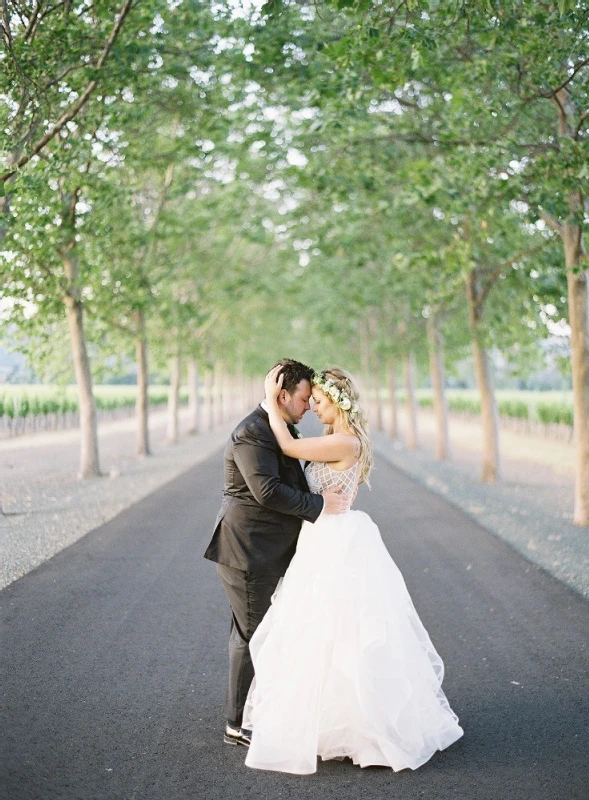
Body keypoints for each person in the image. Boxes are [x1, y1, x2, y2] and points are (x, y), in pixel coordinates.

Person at [242, 365, 464, 774]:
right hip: (321, 536)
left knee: (344, 631)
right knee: (319, 632)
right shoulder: (333, 438)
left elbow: (289, 450)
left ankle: (364, 728)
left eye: (320, 402)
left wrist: (271, 403)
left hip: (337, 539)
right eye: (311, 401)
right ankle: (331, 722)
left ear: (338, 404)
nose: (313, 409)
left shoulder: (344, 441)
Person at [204, 359, 349, 748]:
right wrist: (319, 505)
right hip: (248, 550)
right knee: (251, 634)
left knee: (252, 630)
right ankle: (237, 725)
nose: (307, 407)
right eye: (304, 398)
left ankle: (251, 711)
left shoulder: (274, 425)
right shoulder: (252, 432)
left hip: (265, 549)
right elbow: (266, 490)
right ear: (282, 395)